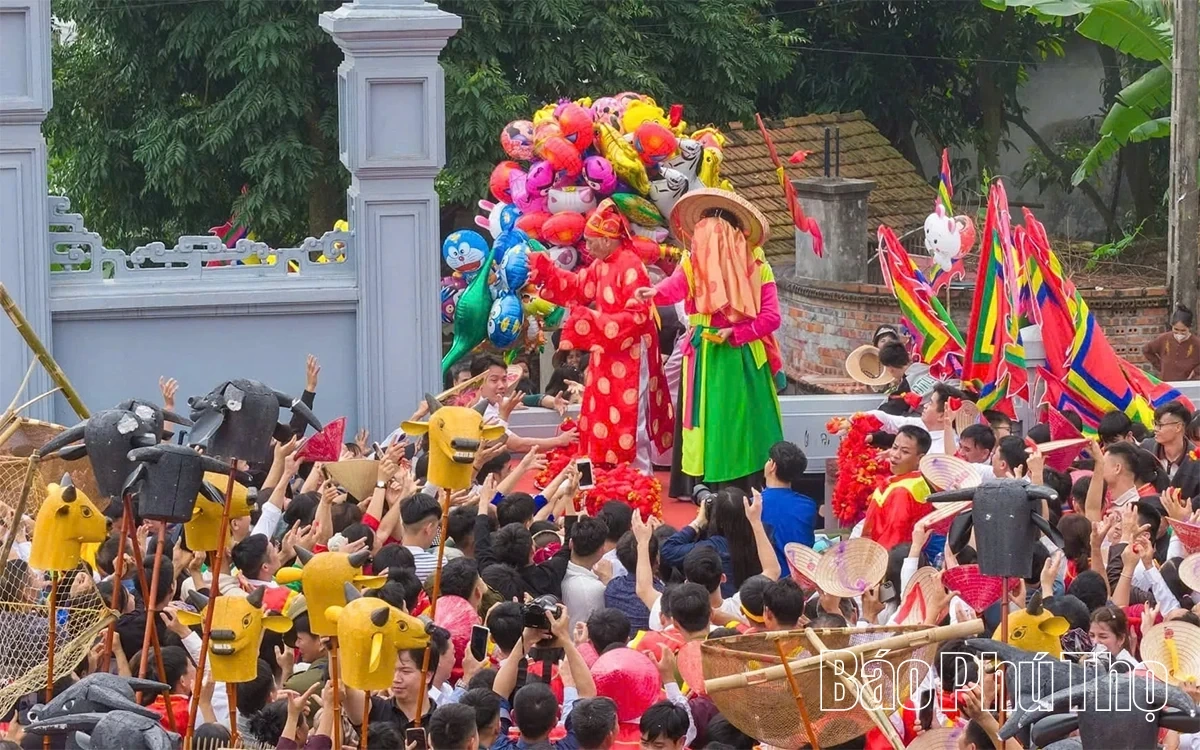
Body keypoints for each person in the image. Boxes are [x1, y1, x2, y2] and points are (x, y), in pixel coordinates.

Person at [637, 189, 783, 494]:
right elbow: (675, 286)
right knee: (702, 421)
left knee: (736, 421)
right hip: (703, 353)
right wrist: (654, 293)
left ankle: (739, 482)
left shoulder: (757, 266)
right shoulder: (694, 263)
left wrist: (737, 333)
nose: (699, 243)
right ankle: (702, 482)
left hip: (739, 355)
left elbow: (771, 318)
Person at [528, 198, 673, 471]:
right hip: (607, 345)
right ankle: (608, 468)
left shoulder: (631, 265)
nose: (587, 246)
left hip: (631, 350)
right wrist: (546, 271)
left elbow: (638, 317)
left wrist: (593, 321)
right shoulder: (601, 264)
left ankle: (638, 476)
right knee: (602, 409)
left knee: (631, 415)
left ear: (608, 240)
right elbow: (577, 287)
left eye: (592, 240)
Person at [659, 488, 780, 597]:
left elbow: (668, 550)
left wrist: (698, 522)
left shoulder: (713, 546)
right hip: (756, 601)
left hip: (725, 605)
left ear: (719, 520)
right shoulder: (765, 534)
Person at [861, 425, 933, 549]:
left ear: (919, 459)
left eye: (905, 451)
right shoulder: (914, 481)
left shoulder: (902, 491)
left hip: (888, 559)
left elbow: (894, 538)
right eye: (894, 447)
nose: (895, 455)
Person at [758, 441, 818, 572]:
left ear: (773, 466)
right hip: (800, 579)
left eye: (769, 460)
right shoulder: (809, 506)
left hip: (766, 579)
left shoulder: (755, 505)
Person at [561, 516, 609, 629]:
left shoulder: (554, 568)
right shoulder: (595, 588)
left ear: (571, 543)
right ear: (601, 550)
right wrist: (608, 581)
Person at [1149, 401, 1199, 505]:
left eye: (1160, 425)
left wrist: (1183, 504)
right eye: (1155, 424)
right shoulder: (1146, 448)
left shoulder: (1197, 458)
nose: (1155, 429)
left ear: (1178, 427)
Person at [1143, 306, 1200, 381]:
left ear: (1189, 328)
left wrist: (1196, 372)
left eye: (1183, 331)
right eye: (1176, 329)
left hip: (1187, 384)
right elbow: (1147, 350)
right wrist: (1160, 366)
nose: (1179, 333)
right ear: (1172, 326)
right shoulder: (1164, 339)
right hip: (1167, 383)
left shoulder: (1196, 343)